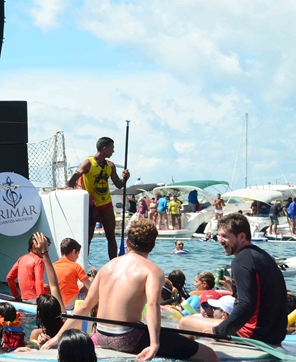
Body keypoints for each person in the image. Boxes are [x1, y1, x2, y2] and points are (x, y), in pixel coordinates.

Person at [41, 219, 217, 362]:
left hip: (101, 335)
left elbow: (85, 307)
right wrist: (154, 344)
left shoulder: (107, 267)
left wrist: (57, 337)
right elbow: (153, 304)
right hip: (128, 338)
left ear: (127, 242)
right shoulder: (153, 271)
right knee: (209, 355)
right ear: (153, 246)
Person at [178, 213, 287, 345]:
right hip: (275, 334)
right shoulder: (263, 256)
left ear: (241, 237)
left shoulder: (241, 261)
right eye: (219, 235)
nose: (220, 240)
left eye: (225, 236)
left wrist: (218, 331)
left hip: (254, 334)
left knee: (186, 322)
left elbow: (246, 306)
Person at [65, 137, 130, 260]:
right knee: (88, 237)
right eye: (112, 148)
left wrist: (125, 178)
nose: (113, 151)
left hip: (106, 204)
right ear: (104, 148)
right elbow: (73, 179)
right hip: (91, 206)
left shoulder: (110, 165)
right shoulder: (88, 163)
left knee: (111, 235)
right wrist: (73, 192)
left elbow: (119, 184)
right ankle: (82, 267)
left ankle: (114, 264)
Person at [6, 233, 49, 302]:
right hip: (35, 299)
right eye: (45, 247)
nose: (47, 250)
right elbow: (39, 282)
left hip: (23, 298)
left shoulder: (21, 259)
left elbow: (9, 278)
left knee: (45, 286)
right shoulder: (39, 261)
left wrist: (16, 295)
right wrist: (40, 300)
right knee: (50, 288)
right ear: (35, 246)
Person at [53, 238, 90, 306]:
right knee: (91, 280)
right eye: (78, 254)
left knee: (80, 286)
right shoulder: (76, 266)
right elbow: (90, 287)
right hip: (72, 304)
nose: (78, 257)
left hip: (57, 305)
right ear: (73, 252)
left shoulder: (53, 266)